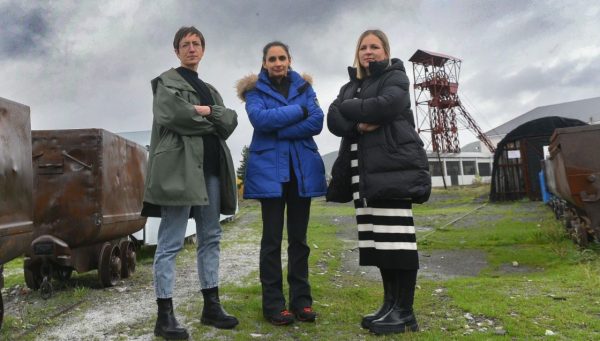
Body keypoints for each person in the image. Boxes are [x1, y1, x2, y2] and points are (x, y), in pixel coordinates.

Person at [326, 29, 431, 335]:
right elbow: (333, 119)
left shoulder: (395, 77)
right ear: (357, 53)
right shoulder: (351, 86)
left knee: (398, 241)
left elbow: (386, 106)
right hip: (363, 173)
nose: (368, 52)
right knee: (381, 242)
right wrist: (358, 121)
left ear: (385, 51)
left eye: (374, 47)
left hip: (391, 169)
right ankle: (390, 305)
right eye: (363, 47)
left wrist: (349, 110)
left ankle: (405, 312)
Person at [142, 26, 239, 340]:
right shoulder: (165, 83)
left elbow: (229, 121)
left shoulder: (210, 89)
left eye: (197, 43)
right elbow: (176, 116)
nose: (192, 48)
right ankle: (164, 316)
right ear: (176, 50)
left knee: (210, 237)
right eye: (186, 44)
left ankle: (211, 307)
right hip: (180, 172)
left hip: (211, 172)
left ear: (203, 49)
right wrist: (212, 119)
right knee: (170, 242)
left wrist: (210, 111)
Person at [236, 41, 327, 326]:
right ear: (264, 63)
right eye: (272, 58)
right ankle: (274, 305)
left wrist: (282, 127)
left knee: (299, 241)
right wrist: (299, 111)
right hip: (270, 174)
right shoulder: (254, 92)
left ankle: (302, 302)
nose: (277, 63)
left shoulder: (304, 87)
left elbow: (317, 121)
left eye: (282, 58)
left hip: (301, 172)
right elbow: (260, 120)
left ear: (290, 60)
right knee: (272, 241)